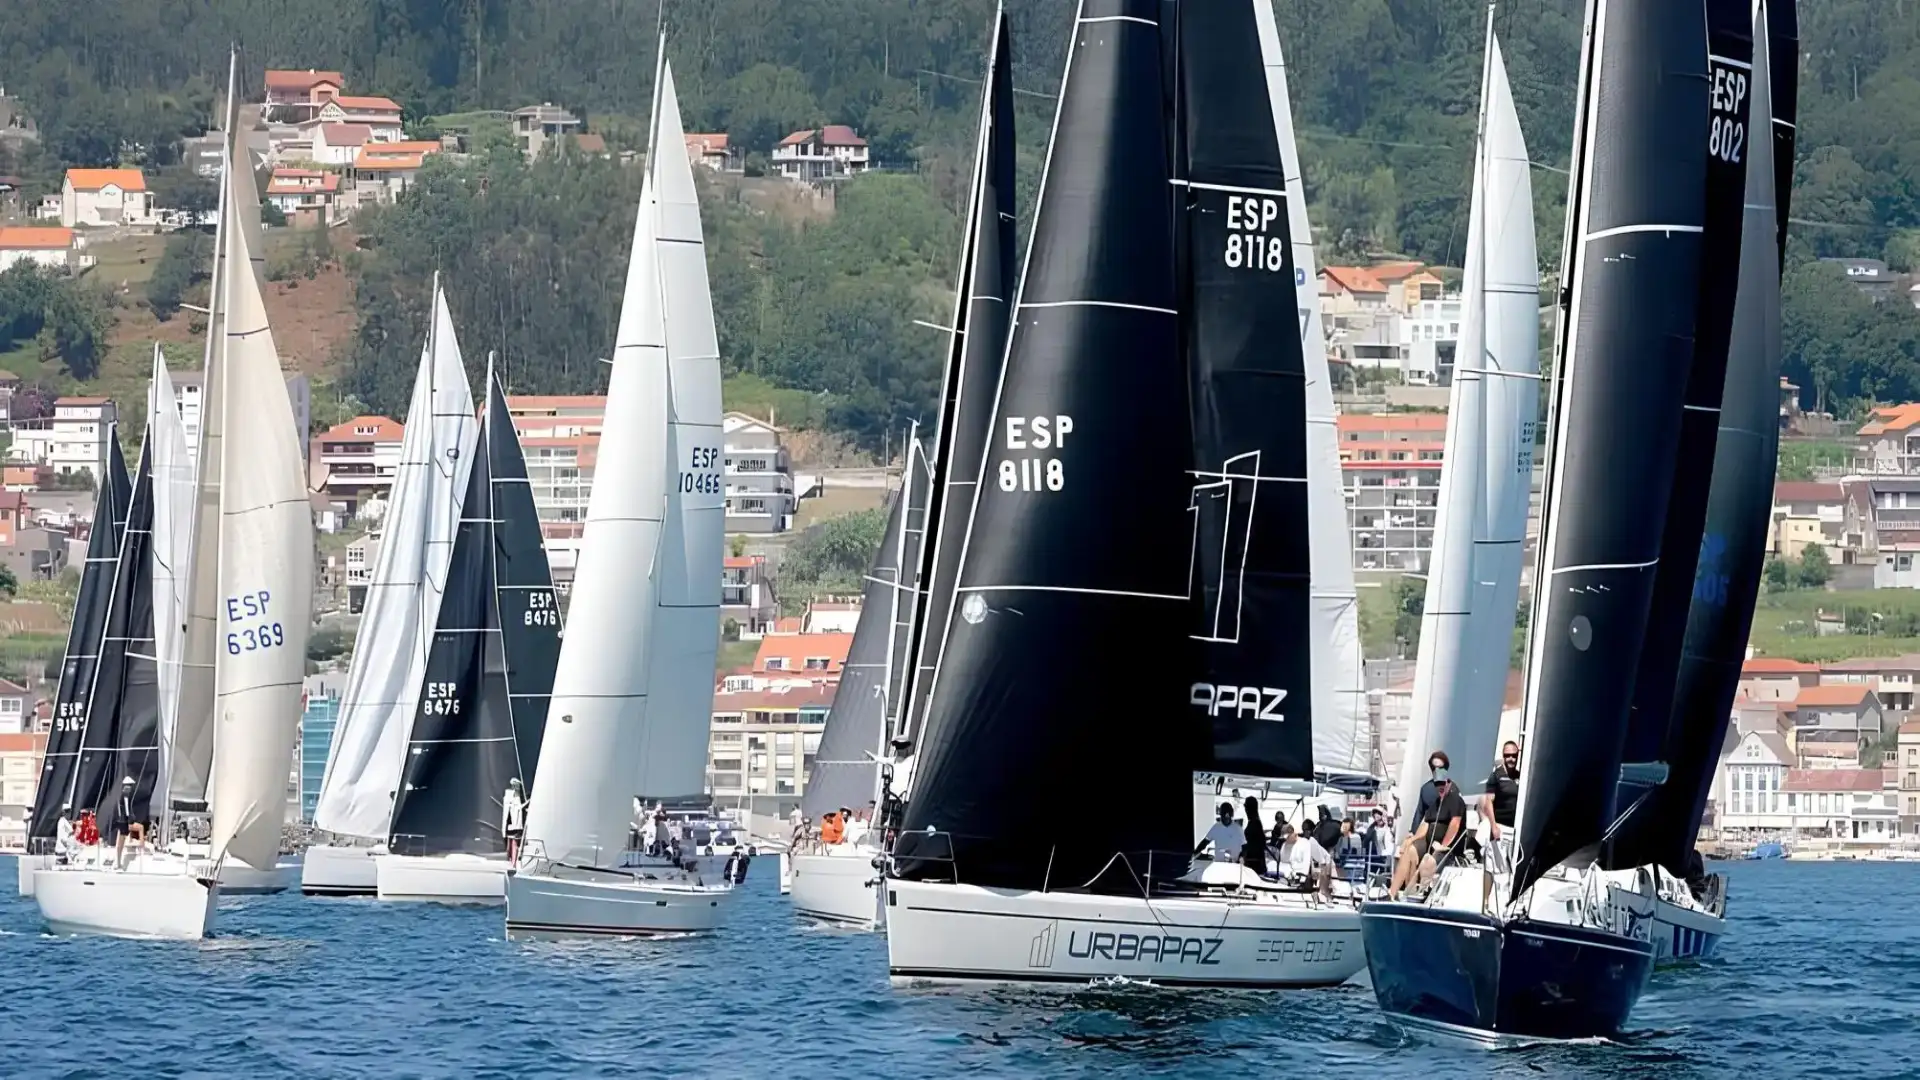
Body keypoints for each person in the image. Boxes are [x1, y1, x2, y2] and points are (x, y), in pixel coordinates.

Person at [1390, 758, 1467, 898]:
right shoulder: (1435, 804)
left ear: (1449, 783)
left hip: (1447, 850)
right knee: (1410, 851)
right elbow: (1424, 826)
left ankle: (1418, 893)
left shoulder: (1455, 800)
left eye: (1443, 783)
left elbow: (1454, 825)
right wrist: (1410, 840)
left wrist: (1443, 845)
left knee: (1428, 860)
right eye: (1437, 784)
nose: (1440, 787)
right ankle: (1392, 893)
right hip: (1430, 846)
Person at [1478, 741, 1521, 876]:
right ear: (1503, 756)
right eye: (1507, 755)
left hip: (1515, 829)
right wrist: (1494, 826)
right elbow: (1488, 802)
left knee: (1510, 868)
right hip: (1500, 828)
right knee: (1496, 869)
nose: (1511, 759)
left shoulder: (1520, 776)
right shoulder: (1496, 776)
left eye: (1513, 755)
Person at [1275, 820, 1334, 899]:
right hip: (1291, 878)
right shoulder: (1284, 845)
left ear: (1294, 834)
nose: (1286, 840)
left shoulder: (1308, 843)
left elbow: (1307, 865)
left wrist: (1302, 881)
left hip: (1320, 868)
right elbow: (1283, 863)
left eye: (1288, 837)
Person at [108, 777, 142, 868]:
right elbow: (127, 811)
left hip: (119, 820)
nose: (130, 788)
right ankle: (118, 863)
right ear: (126, 787)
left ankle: (118, 861)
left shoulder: (120, 795)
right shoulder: (125, 796)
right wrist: (130, 818)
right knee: (120, 843)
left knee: (119, 842)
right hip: (123, 821)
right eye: (129, 786)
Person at [1241, 796, 1268, 877]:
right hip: (1254, 862)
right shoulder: (1255, 822)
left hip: (1254, 863)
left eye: (1246, 807)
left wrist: (1243, 848)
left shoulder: (1255, 823)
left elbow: (1256, 844)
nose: (1245, 810)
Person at [502, 778, 527, 862]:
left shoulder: (512, 797)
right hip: (513, 826)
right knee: (513, 843)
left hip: (512, 826)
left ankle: (512, 860)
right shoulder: (512, 797)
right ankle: (512, 861)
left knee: (513, 843)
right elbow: (517, 808)